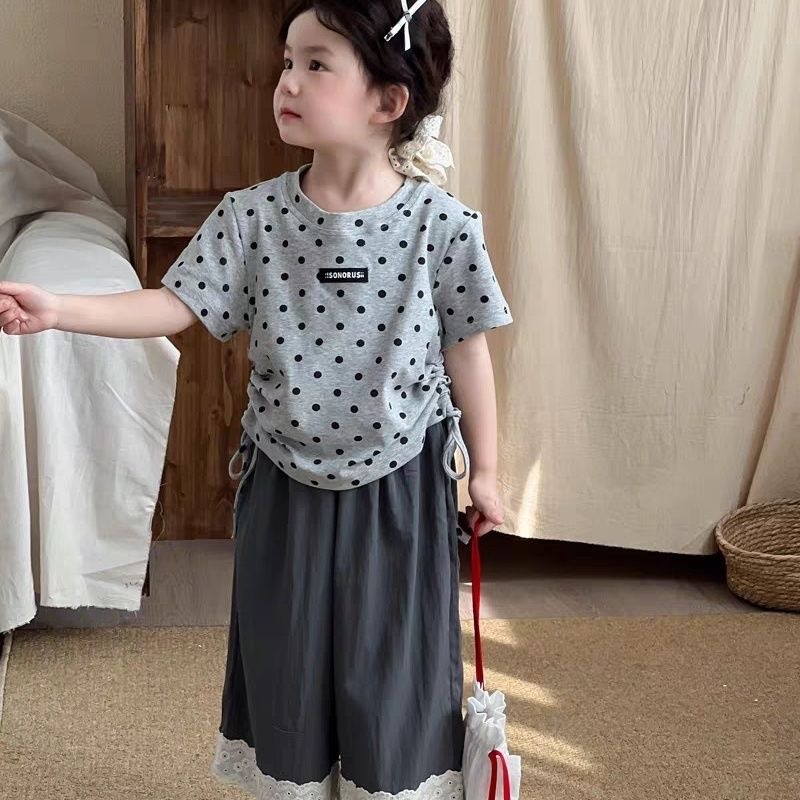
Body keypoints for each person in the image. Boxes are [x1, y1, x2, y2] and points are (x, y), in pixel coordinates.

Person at [0, 1, 514, 798]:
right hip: (282, 484)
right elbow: (172, 306)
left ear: (389, 100)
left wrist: (487, 472)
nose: (287, 82)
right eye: (287, 62)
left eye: (316, 65)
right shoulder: (252, 217)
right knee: (286, 665)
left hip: (403, 490)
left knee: (395, 670)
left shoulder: (443, 227)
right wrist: (59, 309)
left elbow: (468, 351)